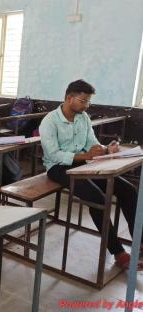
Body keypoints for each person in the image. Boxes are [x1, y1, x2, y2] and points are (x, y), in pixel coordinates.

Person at [39, 79, 143, 270]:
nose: (87, 105)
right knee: (98, 198)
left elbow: (92, 143)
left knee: (127, 190)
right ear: (69, 98)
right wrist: (87, 155)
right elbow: (53, 154)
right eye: (84, 101)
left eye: (88, 102)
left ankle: (141, 242)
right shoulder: (50, 121)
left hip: (84, 163)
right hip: (58, 167)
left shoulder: (83, 118)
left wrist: (105, 149)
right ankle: (119, 253)